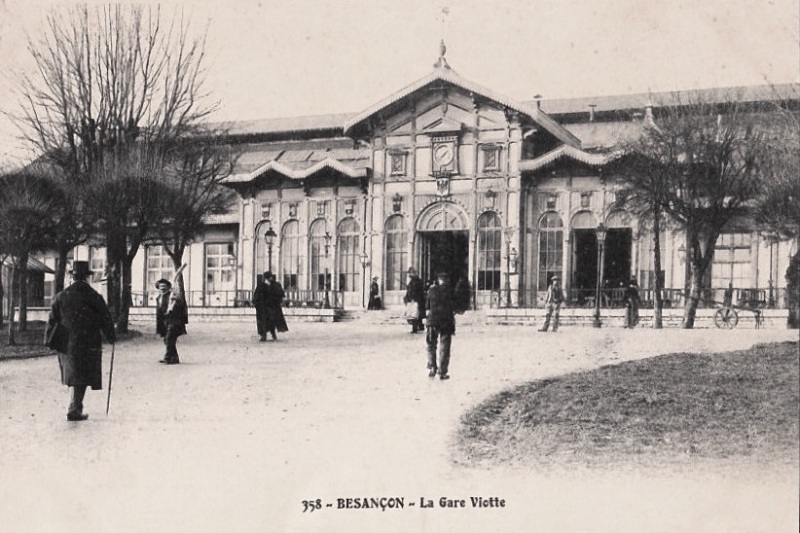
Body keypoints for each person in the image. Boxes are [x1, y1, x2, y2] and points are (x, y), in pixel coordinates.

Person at [45, 261, 116, 421]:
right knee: (82, 375)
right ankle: (74, 409)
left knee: (73, 374)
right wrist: (111, 336)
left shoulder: (61, 296)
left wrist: (50, 341)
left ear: (72, 276)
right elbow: (105, 318)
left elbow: (52, 320)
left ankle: (75, 406)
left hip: (66, 342)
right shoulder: (94, 296)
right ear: (87, 277)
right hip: (88, 342)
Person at [425, 271, 458, 380]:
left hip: (432, 321)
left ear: (439, 280)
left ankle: (432, 367)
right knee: (444, 346)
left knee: (431, 345)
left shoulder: (432, 290)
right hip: (446, 321)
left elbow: (427, 307)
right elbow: (456, 307)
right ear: (447, 280)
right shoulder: (451, 291)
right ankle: (442, 372)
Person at [155, 265, 188, 364]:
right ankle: (174, 358)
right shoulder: (158, 298)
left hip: (174, 321)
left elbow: (180, 306)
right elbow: (159, 313)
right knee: (167, 340)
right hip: (165, 322)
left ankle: (167, 357)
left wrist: (175, 302)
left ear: (168, 288)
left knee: (169, 338)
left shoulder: (172, 297)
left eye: (164, 287)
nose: (162, 289)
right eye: (161, 287)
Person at [263, 272, 289, 340]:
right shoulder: (264, 285)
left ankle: (272, 334)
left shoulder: (276, 285)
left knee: (272, 321)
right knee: (266, 321)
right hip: (267, 306)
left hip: (274, 306)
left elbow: (280, 293)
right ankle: (265, 335)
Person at [403, 267, 425, 333]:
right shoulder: (414, 281)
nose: (409, 275)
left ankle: (415, 328)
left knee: (414, 314)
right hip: (415, 300)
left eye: (410, 273)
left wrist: (412, 298)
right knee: (417, 314)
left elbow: (414, 291)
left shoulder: (416, 281)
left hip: (415, 300)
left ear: (414, 273)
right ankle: (420, 326)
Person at [252, 273, 269, 341]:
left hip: (260, 306)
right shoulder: (268, 287)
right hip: (265, 307)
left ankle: (262, 334)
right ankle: (264, 334)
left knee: (260, 321)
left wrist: (255, 303)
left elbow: (255, 296)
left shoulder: (259, 286)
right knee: (265, 321)